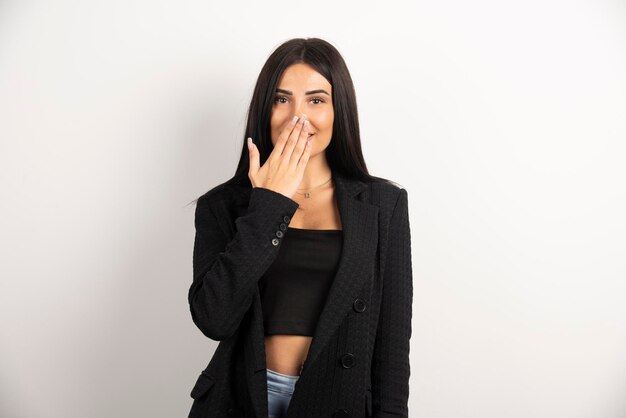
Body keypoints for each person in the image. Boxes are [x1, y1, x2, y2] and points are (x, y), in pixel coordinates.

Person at [187, 37, 413, 418]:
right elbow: (214, 319)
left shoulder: (382, 204)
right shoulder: (222, 205)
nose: (298, 116)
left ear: (339, 109)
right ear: (265, 109)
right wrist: (268, 205)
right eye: (281, 99)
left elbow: (391, 349)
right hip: (239, 401)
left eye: (316, 100)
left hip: (337, 402)